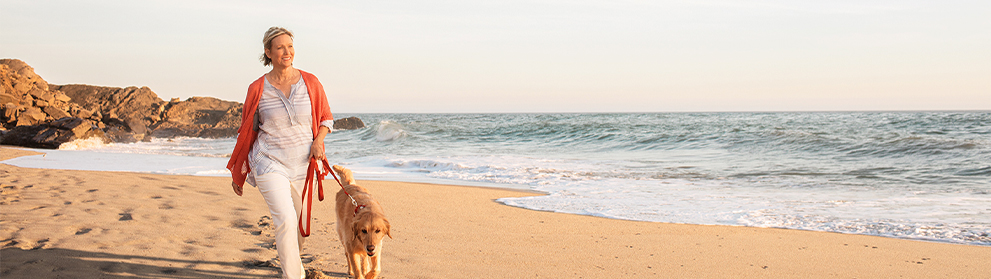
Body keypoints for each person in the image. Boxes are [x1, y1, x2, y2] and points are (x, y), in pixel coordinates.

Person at [227, 26, 333, 279]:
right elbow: (247, 132)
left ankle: (294, 264)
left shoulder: (311, 82)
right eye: (280, 47)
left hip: (303, 166)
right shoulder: (257, 88)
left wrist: (318, 141)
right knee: (285, 220)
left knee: (299, 229)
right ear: (268, 52)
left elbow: (326, 119)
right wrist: (239, 171)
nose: (287, 52)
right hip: (269, 162)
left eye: (290, 46)